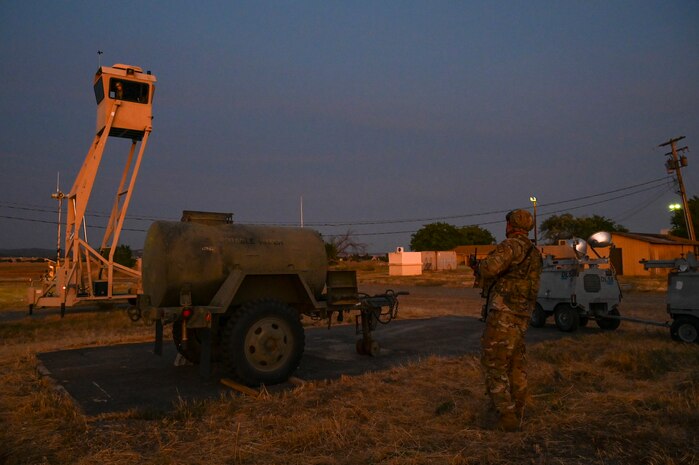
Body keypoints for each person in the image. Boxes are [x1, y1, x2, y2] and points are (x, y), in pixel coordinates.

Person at [477, 209, 542, 432]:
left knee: (494, 362)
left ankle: (505, 415)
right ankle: (520, 408)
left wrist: (480, 266)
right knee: (516, 362)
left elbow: (490, 268)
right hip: (522, 313)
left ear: (510, 225)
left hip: (504, 313)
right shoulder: (534, 252)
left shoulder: (511, 245)